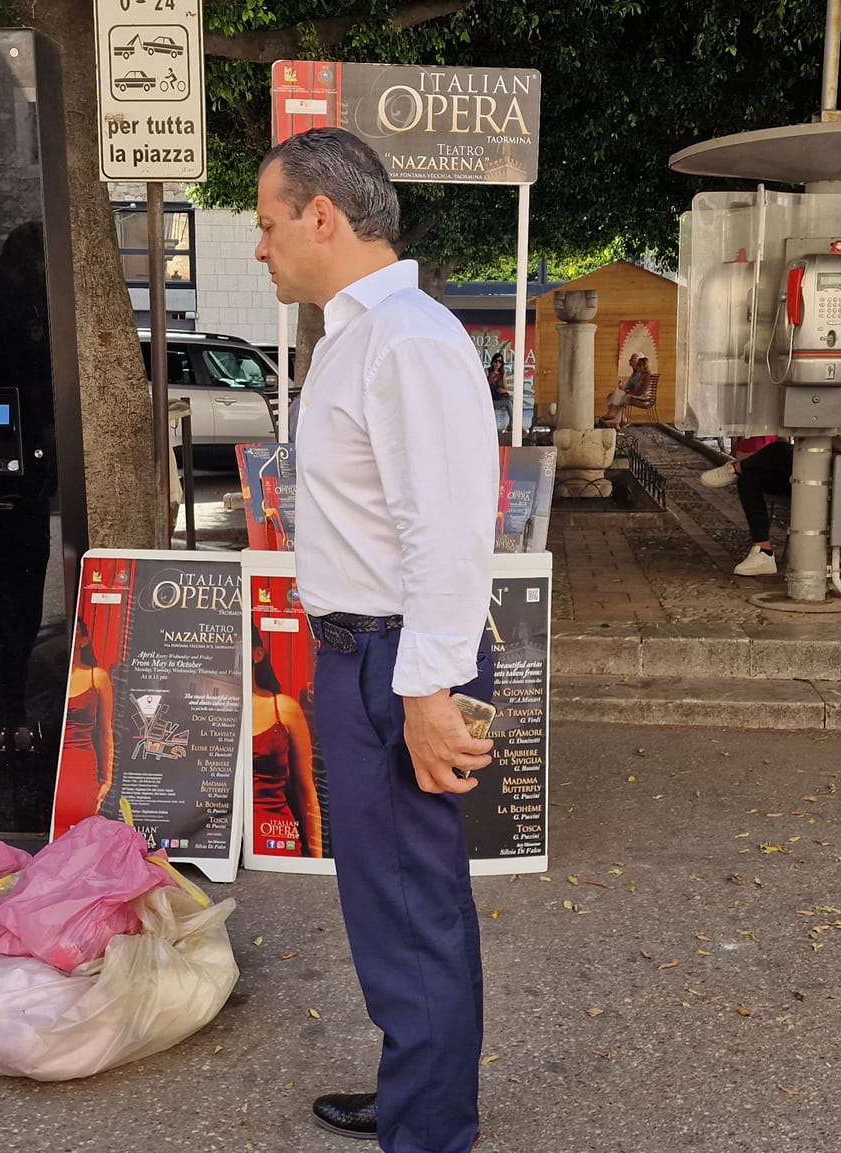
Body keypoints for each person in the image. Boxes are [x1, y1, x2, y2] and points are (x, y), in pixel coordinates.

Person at [254, 127, 498, 1151]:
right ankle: (420, 1096)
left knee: (411, 904)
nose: (260, 246)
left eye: (268, 224)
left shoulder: (406, 335)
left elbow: (444, 525)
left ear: (321, 215)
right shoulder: (361, 333)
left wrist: (428, 692)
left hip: (397, 663)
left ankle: (428, 1129)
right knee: (390, 899)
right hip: (366, 654)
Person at [249, 638, 321, 856]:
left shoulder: (284, 708)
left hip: (275, 834)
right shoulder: (203, 709)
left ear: (257, 654)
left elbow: (305, 789)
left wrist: (317, 858)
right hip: (218, 835)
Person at [701, 435, 794, 576]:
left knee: (781, 449)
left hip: (829, 478)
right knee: (748, 479)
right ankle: (763, 550)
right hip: (800, 474)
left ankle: (735, 468)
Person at [63, 630, 116, 814]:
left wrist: (107, 778)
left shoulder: (98, 677)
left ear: (84, 640)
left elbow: (104, 731)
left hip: (81, 761)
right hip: (51, 761)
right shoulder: (45, 675)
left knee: (80, 823)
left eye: (74, 632)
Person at [486, 352, 512, 434]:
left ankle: (512, 422)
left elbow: (506, 388)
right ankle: (512, 422)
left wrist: (502, 390)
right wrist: (492, 379)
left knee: (510, 402)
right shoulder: (488, 371)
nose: (497, 363)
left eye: (500, 361)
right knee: (508, 403)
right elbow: (485, 386)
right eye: (496, 361)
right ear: (492, 362)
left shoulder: (502, 373)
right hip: (492, 399)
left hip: (500, 397)